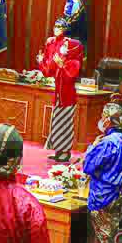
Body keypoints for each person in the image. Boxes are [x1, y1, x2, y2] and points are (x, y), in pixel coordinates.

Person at [82, 102, 122, 243]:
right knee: (107, 239)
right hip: (118, 195)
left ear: (107, 120)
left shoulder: (107, 143)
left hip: (102, 197)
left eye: (103, 117)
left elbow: (88, 166)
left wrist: (93, 147)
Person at [37, 16, 84, 163]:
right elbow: (49, 71)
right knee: (56, 121)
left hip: (67, 94)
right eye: (55, 26)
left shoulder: (73, 49)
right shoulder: (52, 43)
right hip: (58, 93)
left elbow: (72, 73)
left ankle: (65, 153)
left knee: (65, 122)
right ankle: (58, 151)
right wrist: (41, 62)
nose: (57, 29)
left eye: (60, 27)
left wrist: (62, 63)